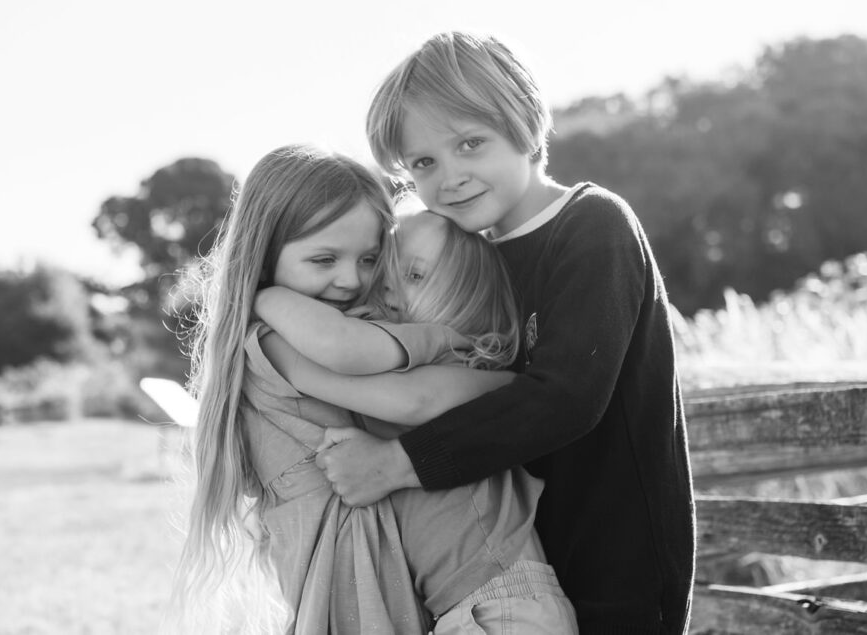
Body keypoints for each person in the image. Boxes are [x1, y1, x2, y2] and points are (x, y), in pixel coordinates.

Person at [313, 31, 697, 634]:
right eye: (423, 163)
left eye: (471, 143)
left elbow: (565, 396)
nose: (449, 178)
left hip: (616, 563)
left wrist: (395, 464)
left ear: (521, 122)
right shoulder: (467, 257)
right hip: (513, 566)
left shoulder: (593, 226)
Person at [171, 144, 453, 634]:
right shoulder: (279, 338)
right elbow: (416, 400)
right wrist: (499, 371)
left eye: (369, 259)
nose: (350, 279)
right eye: (324, 259)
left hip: (369, 553)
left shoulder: (336, 327)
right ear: (263, 254)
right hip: (346, 563)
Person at [254, 209, 578, 633]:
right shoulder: (406, 350)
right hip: (471, 608)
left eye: (416, 274)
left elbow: (348, 351)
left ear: (466, 297)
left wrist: (264, 297)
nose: (388, 283)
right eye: (385, 266)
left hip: (500, 604)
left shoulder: (451, 352)